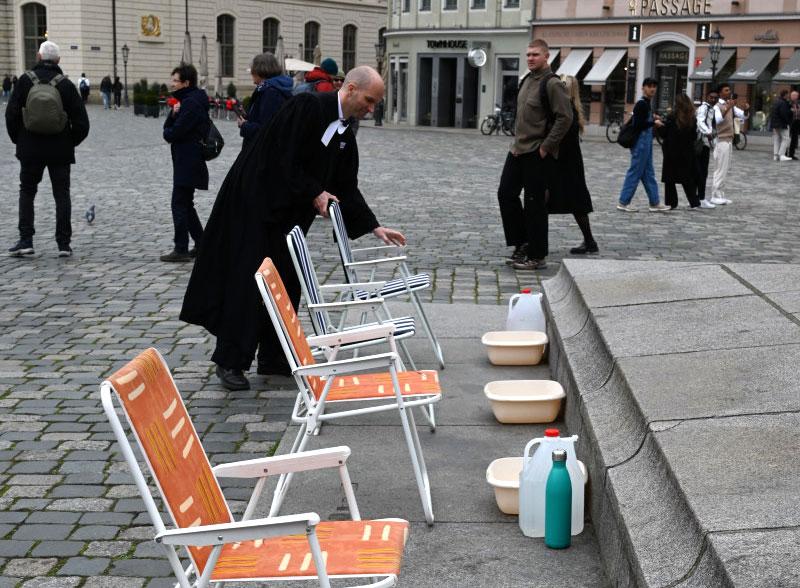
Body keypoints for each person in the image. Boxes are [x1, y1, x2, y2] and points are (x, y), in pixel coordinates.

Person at [180, 66, 406, 391]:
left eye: (375, 104)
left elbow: (346, 186)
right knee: (249, 283)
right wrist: (314, 191)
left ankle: (275, 357)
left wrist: (374, 226)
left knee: (286, 283)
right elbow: (280, 158)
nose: (371, 109)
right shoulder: (307, 107)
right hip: (254, 207)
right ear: (352, 89)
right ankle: (230, 361)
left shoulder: (344, 132)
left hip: (287, 218)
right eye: (369, 101)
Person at [5, 40, 89, 257]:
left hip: (30, 148)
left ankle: (26, 240)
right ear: (58, 60)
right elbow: (82, 124)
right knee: (61, 195)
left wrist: (20, 140)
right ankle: (63, 244)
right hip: (59, 150)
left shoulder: (24, 81)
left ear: (39, 57)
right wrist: (69, 142)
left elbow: (11, 115)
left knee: (27, 191)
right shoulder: (66, 85)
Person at [496, 39, 572, 271]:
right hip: (518, 149)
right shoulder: (526, 80)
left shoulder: (552, 84)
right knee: (505, 194)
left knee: (534, 204)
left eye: (535, 55)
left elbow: (565, 117)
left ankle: (537, 255)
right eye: (528, 54)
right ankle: (522, 242)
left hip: (537, 151)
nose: (530, 58)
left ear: (546, 56)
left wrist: (546, 146)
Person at [160, 63, 210, 263]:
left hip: (188, 160)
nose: (172, 84)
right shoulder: (193, 100)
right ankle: (201, 243)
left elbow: (171, 134)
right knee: (186, 204)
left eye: (175, 81)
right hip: (189, 159)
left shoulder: (190, 104)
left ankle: (181, 247)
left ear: (186, 83)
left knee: (179, 204)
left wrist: (172, 117)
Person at [547, 75, 598, 254]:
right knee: (576, 204)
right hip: (570, 162)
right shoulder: (572, 109)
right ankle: (590, 240)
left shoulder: (566, 110)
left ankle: (534, 242)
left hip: (562, 162)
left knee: (544, 200)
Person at [617, 78, 670, 213]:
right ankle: (623, 202)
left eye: (654, 86)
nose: (652, 89)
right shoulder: (641, 104)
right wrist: (654, 123)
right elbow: (638, 125)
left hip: (646, 142)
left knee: (648, 173)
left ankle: (654, 202)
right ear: (643, 88)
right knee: (635, 172)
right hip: (640, 143)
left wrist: (653, 118)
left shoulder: (646, 103)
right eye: (649, 86)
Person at [238, 53, 293, 150]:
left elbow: (266, 130)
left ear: (260, 71)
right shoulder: (277, 87)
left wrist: (245, 125)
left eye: (253, 73)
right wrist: (248, 115)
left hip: (263, 153)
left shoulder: (269, 92)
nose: (253, 80)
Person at [658, 94, 702, 210]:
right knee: (687, 179)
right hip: (686, 152)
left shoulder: (672, 116)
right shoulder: (692, 118)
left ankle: (671, 202)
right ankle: (694, 202)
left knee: (669, 179)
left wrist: (659, 125)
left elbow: (664, 133)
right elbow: (693, 136)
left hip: (671, 152)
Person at [711, 83, 748, 205]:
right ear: (721, 92)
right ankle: (715, 194)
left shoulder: (730, 104)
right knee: (720, 168)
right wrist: (728, 108)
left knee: (725, 168)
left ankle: (721, 194)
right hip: (721, 140)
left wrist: (746, 109)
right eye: (726, 90)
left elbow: (742, 115)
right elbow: (718, 120)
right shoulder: (717, 106)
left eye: (729, 90)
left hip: (728, 141)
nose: (729, 92)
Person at [694, 90, 718, 209]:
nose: (713, 100)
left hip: (705, 144)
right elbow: (700, 122)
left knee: (699, 172)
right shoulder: (704, 108)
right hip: (701, 144)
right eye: (711, 97)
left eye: (715, 98)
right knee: (702, 172)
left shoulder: (711, 109)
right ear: (707, 97)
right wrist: (708, 132)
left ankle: (695, 198)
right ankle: (701, 198)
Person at [770, 89, 792, 162]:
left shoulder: (776, 102)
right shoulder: (783, 103)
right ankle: (781, 155)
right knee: (786, 138)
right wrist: (788, 122)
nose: (788, 96)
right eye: (788, 94)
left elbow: (773, 113)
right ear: (785, 95)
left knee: (777, 139)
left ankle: (775, 155)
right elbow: (784, 114)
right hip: (782, 124)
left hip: (775, 124)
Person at [788, 90, 800, 160]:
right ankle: (785, 153)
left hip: (797, 122)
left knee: (794, 139)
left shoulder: (798, 103)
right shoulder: (788, 103)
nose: (795, 97)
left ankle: (791, 154)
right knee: (786, 138)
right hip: (790, 122)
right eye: (793, 95)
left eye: (796, 95)